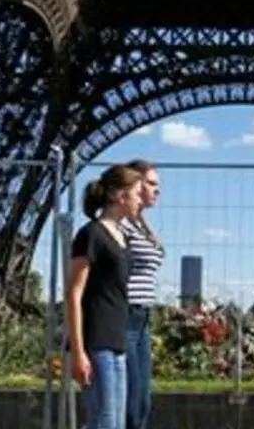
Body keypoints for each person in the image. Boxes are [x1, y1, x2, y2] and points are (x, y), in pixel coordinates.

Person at [66, 164, 145, 429]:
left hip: (117, 341)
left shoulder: (123, 237)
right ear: (118, 196)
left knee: (115, 422)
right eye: (136, 193)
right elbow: (73, 294)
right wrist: (78, 352)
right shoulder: (91, 234)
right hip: (96, 341)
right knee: (104, 420)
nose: (140, 199)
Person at [122, 159, 165, 429]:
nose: (156, 190)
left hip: (142, 317)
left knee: (142, 401)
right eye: (151, 183)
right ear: (134, 184)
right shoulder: (121, 225)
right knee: (130, 400)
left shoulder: (139, 225)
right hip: (125, 315)